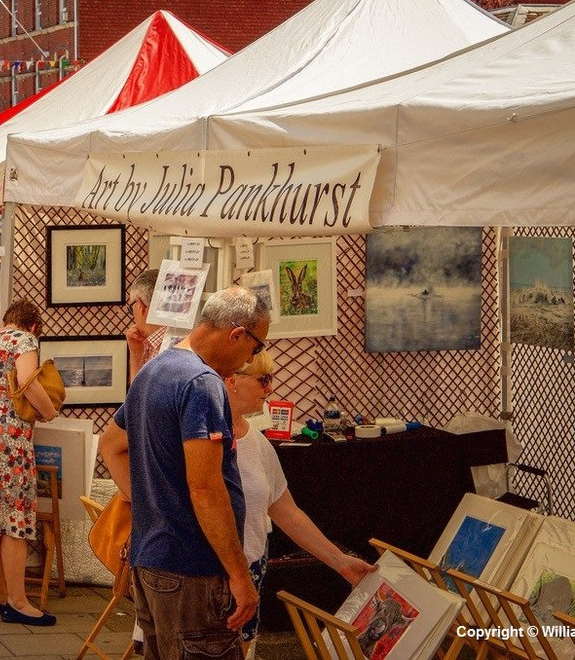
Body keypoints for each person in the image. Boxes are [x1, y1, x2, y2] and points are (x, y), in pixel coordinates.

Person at [100, 286, 271, 660]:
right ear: (237, 334)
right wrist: (240, 576)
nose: (250, 359)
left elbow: (110, 444)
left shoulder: (154, 371)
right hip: (191, 569)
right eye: (255, 348)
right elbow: (206, 488)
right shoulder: (202, 384)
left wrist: (150, 500)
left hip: (152, 560)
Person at [226, 351, 376, 655]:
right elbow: (117, 444)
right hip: (205, 575)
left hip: (251, 567)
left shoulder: (257, 442)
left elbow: (288, 513)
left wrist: (341, 563)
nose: (270, 389)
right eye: (264, 379)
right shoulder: (197, 438)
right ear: (232, 381)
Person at [0, 298, 59, 626]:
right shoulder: (25, 340)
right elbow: (28, 380)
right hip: (10, 437)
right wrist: (48, 411)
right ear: (33, 325)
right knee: (14, 519)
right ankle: (18, 603)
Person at [125, 269, 166, 381]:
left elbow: (138, 397)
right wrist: (136, 352)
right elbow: (138, 393)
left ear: (139, 306)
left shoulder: (164, 348)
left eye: (130, 309)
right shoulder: (149, 344)